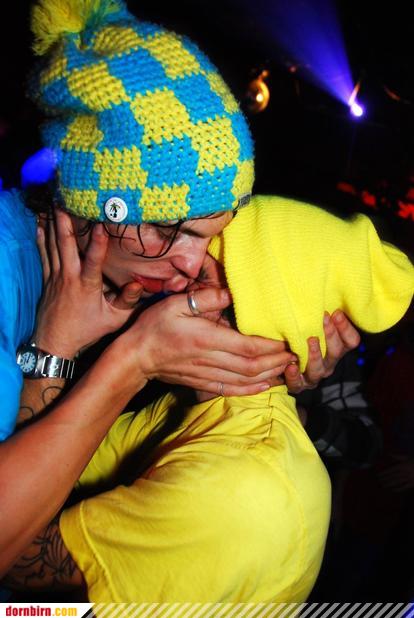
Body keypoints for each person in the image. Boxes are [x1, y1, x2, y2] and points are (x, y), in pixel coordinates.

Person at [0, 0, 360, 585]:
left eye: (211, 236)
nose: (192, 265)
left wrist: (280, 365)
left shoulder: (132, 282)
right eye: (170, 230)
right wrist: (120, 360)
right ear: (94, 204)